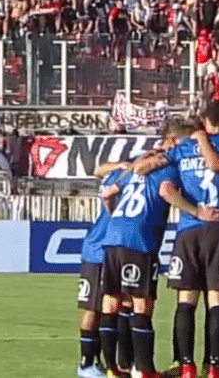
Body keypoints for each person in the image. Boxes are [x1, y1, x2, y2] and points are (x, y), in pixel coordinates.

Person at [98, 120, 217, 378]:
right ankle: (145, 370)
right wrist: (196, 210)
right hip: (140, 240)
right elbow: (166, 191)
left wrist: (114, 218)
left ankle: (113, 368)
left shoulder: (141, 164)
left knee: (112, 302)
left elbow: (108, 193)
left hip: (113, 235)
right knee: (143, 305)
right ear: (175, 143)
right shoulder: (172, 166)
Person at [135, 104, 219, 378]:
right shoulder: (207, 145)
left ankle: (186, 366)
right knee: (216, 301)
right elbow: (215, 165)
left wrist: (150, 159)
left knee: (186, 300)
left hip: (188, 232)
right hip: (217, 229)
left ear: (205, 120)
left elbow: (144, 169)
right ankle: (215, 368)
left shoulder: (183, 148)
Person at [76, 162, 132, 378]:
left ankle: (116, 363)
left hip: (114, 249)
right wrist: (123, 165)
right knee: (94, 307)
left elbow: (98, 169)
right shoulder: (123, 178)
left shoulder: (116, 176)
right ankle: (86, 363)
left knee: (120, 304)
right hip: (98, 251)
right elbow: (98, 169)